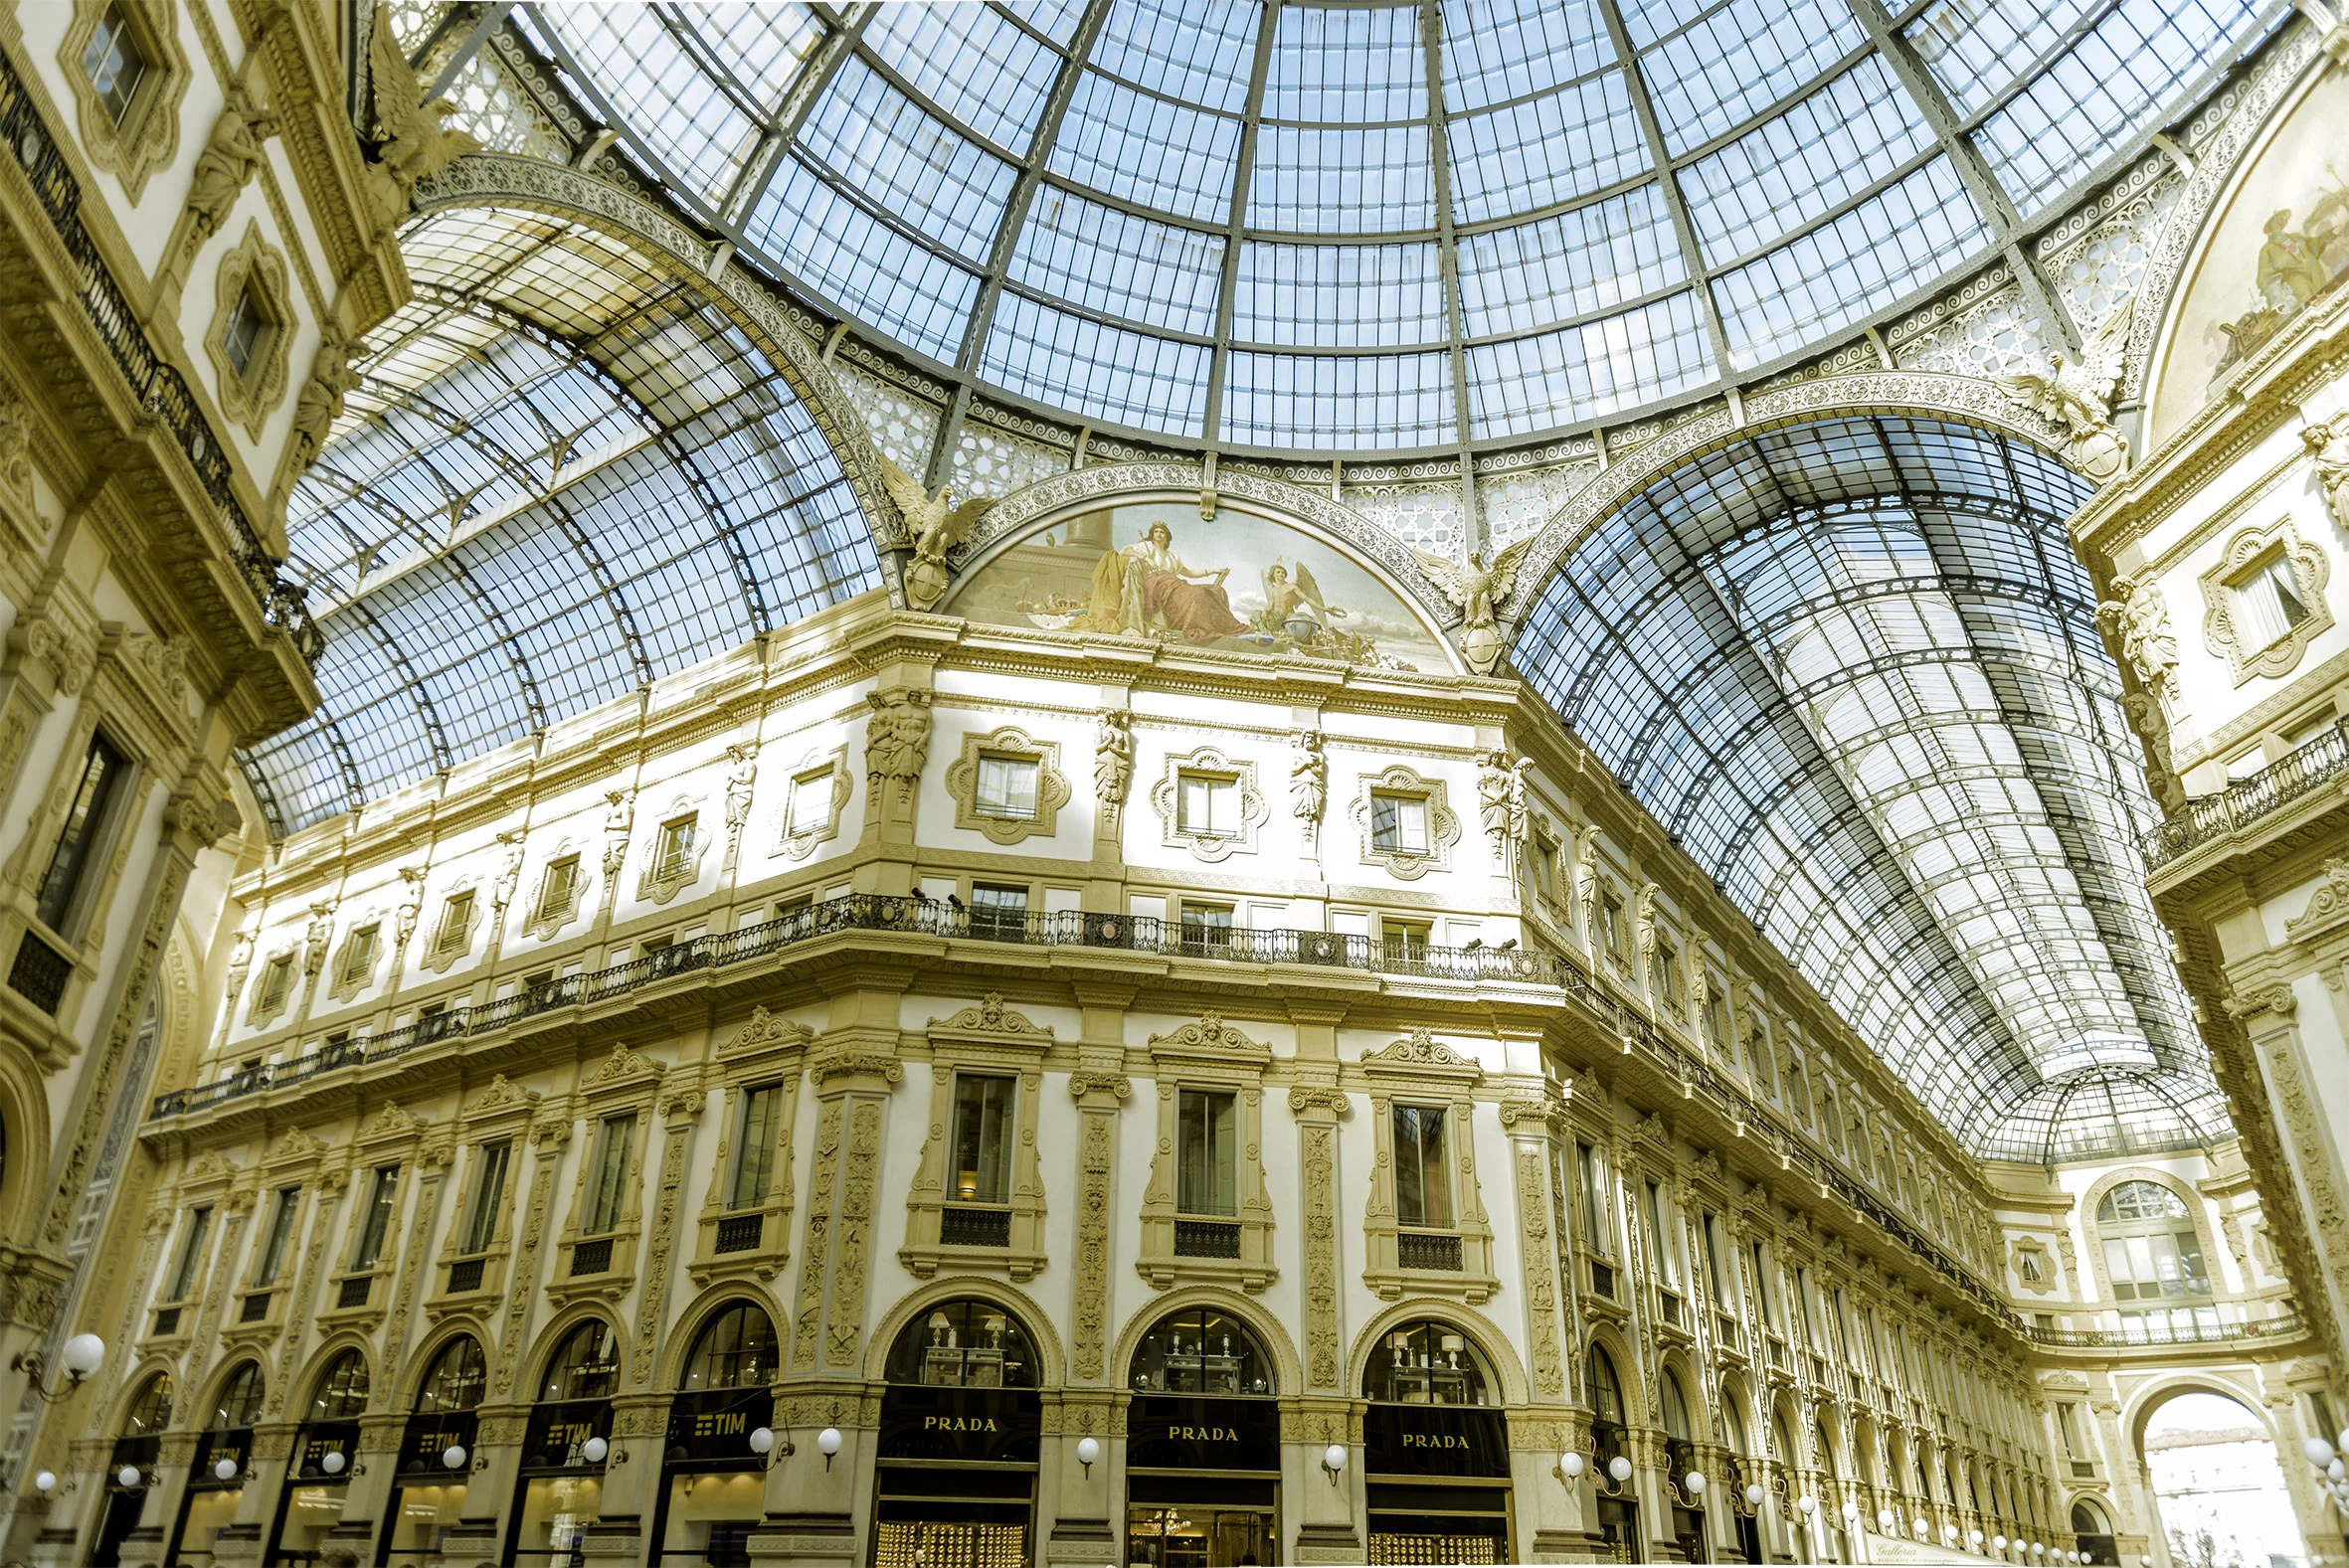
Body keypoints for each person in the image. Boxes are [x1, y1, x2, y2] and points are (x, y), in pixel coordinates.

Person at [1087, 520, 1246, 641]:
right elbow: (1124, 551)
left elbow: (1188, 573)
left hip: (1174, 586)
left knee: (1212, 591)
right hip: (1156, 588)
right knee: (1198, 594)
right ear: (1152, 534)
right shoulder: (1147, 547)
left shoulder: (1173, 557)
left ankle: (1224, 625)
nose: (1158, 534)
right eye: (1156, 531)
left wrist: (1212, 571)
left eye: (1162, 532)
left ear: (1167, 536)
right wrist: (1145, 559)